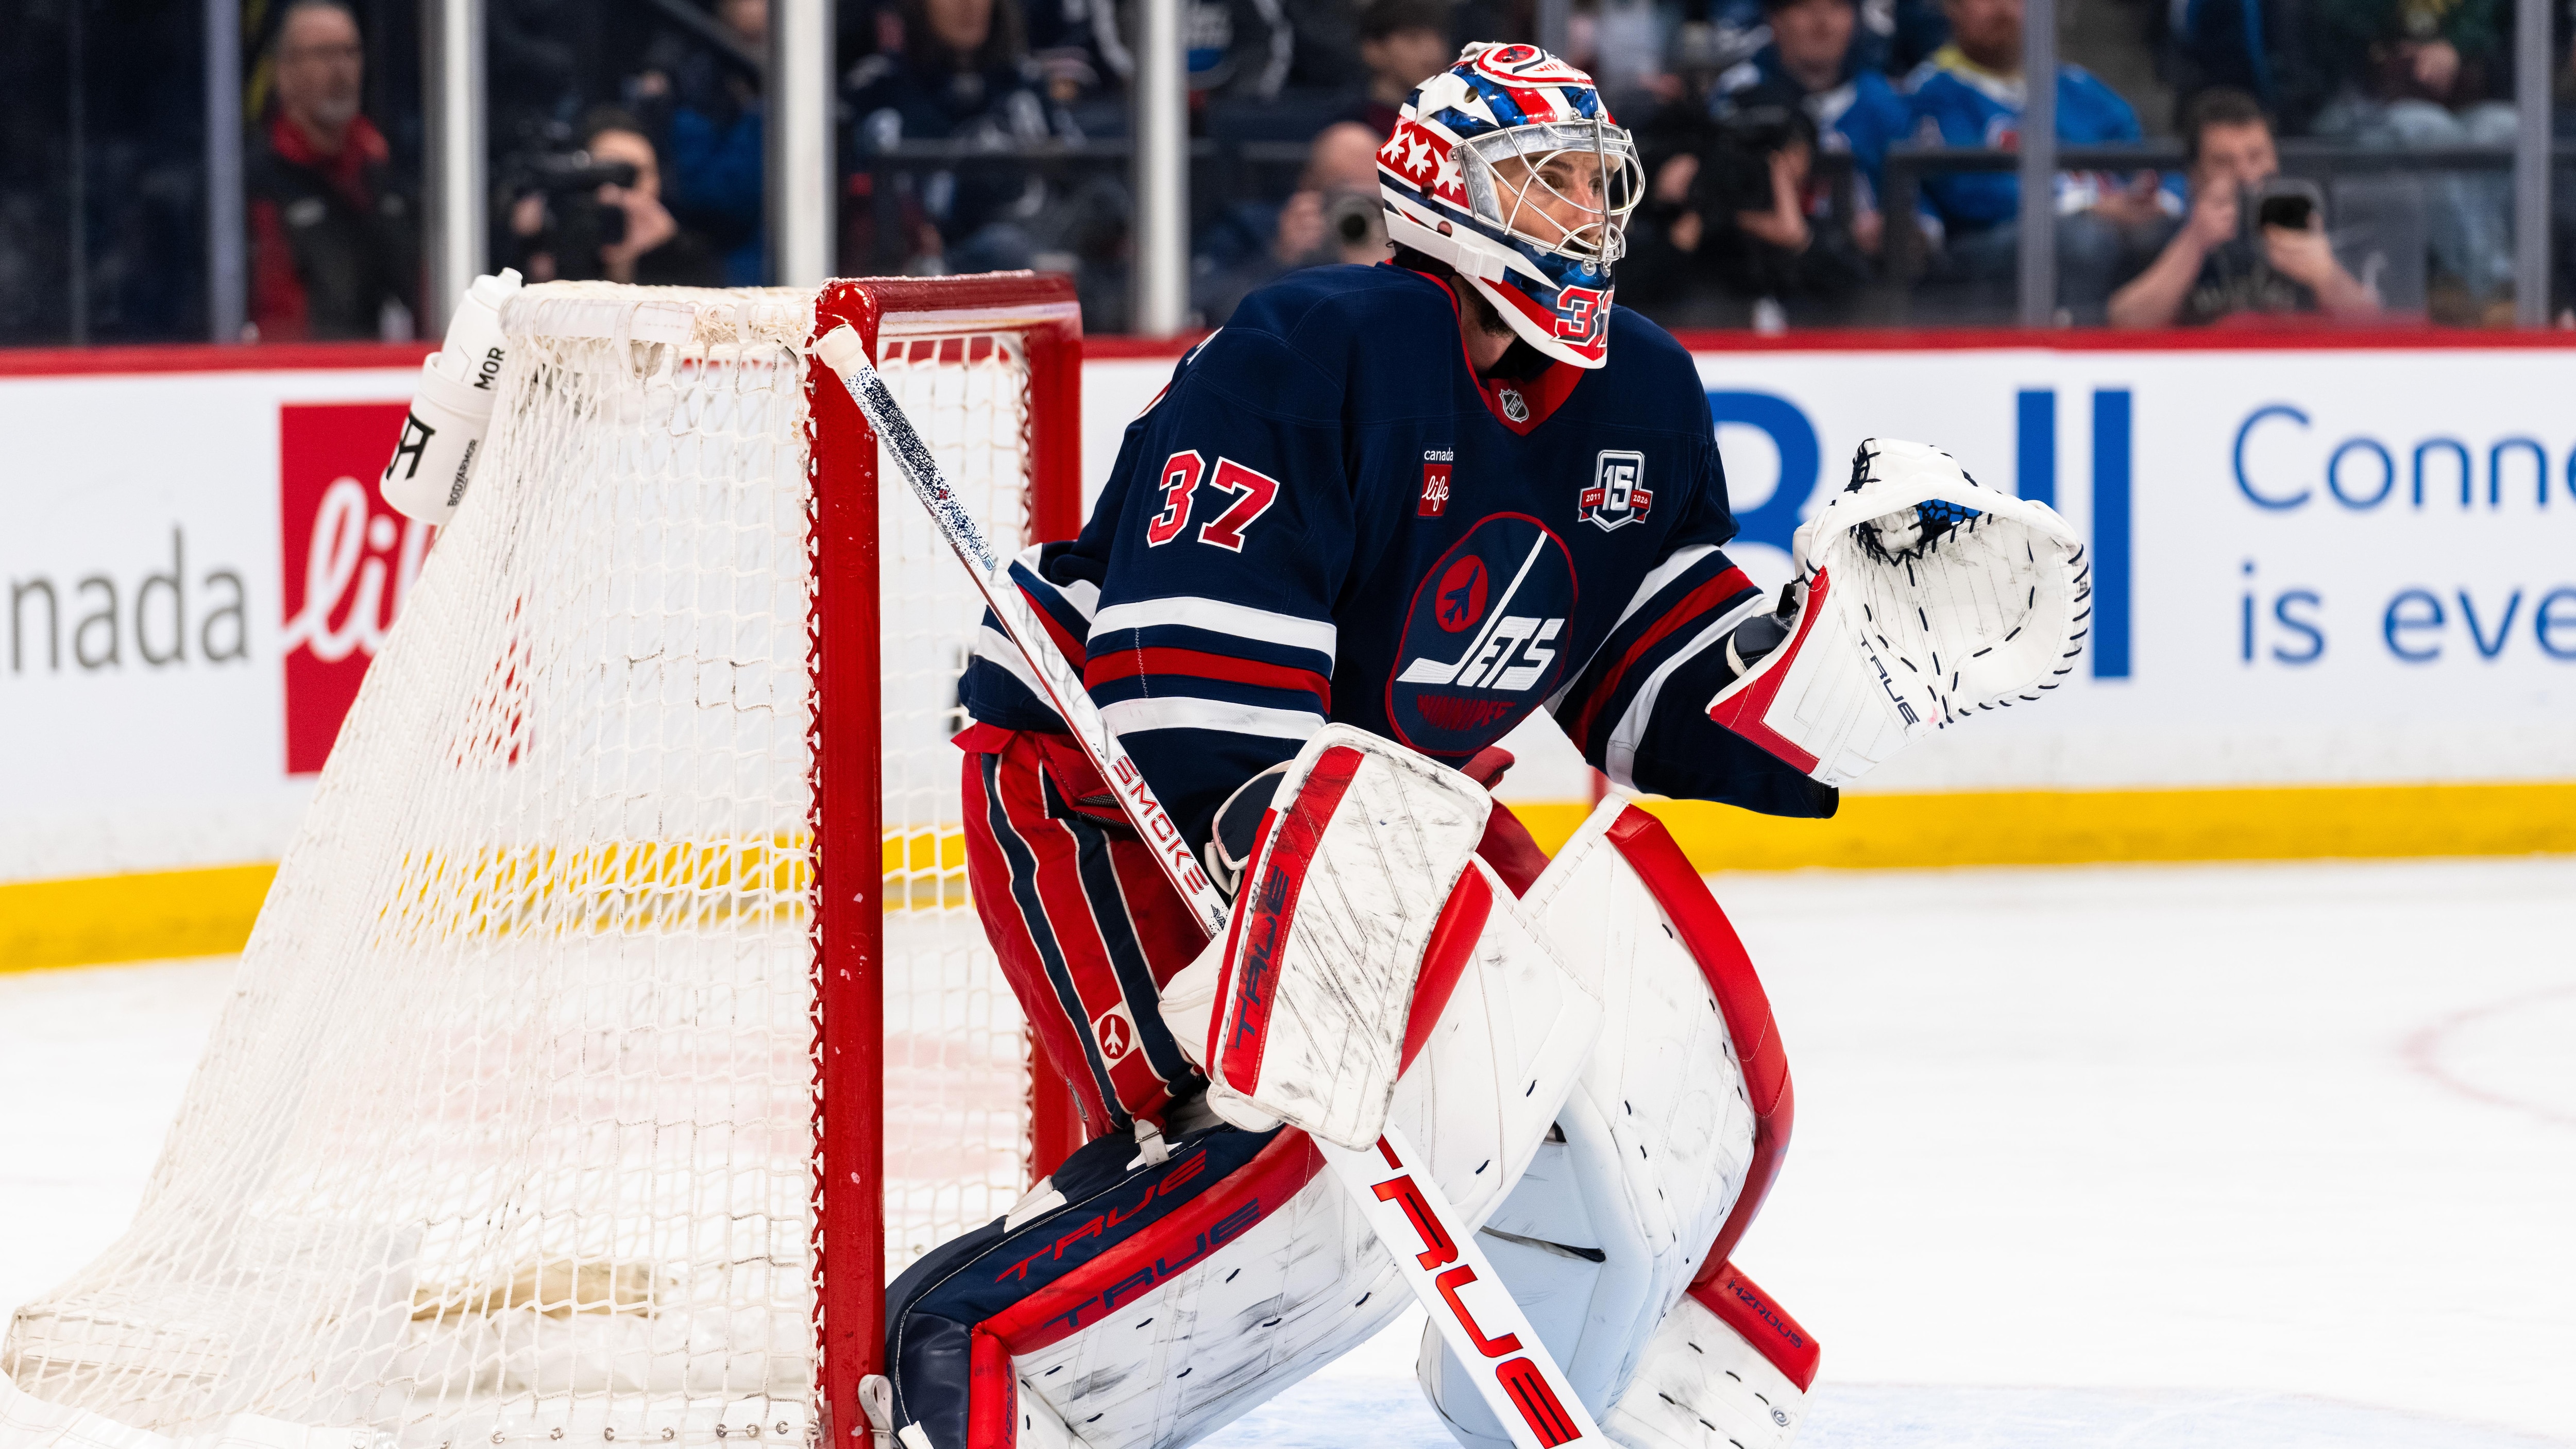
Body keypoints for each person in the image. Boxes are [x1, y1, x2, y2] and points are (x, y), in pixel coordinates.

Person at [873, 41, 1885, 1449]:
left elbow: (1642, 683)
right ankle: (972, 1368)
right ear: (1441, 195)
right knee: (1249, 1165)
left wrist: (1850, 671)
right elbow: (1189, 685)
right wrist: (1318, 901)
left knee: (1587, 1070)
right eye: (1545, 184)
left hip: (1390, 820)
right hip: (1102, 797)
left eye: (1600, 183)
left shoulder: (1641, 391)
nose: (1586, 216)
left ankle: (1622, 1356)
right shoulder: (1319, 347)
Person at [1903, 0, 2171, 322]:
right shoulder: (1930, 91)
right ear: (1952, 7)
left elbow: (2141, 154)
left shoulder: (2078, 87)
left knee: (2171, 228)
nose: (2002, 9)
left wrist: (2153, 199)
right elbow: (1967, 190)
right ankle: (2075, 352)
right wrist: (2083, 205)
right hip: (1980, 244)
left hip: (2094, 224)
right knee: (2080, 239)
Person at [2308, 0, 2514, 315]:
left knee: (2504, 127)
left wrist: (2455, 48)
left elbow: (2494, 26)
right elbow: (2333, 31)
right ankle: (2484, 287)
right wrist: (2397, 51)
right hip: (2363, 114)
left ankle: (2497, 278)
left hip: (2455, 107)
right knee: (2427, 128)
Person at [2108, 88, 2377, 327]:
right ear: (2195, 176)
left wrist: (2326, 277)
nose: (2247, 175)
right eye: (2225, 162)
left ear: (2276, 162)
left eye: (2257, 157)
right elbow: (2123, 323)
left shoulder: (2313, 225)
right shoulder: (2164, 237)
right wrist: (2194, 243)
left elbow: (2376, 329)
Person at [245, 0, 417, 342]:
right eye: (324, 54)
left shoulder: (386, 172)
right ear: (284, 71)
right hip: (301, 375)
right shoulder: (254, 182)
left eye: (350, 53)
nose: (340, 69)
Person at [633, 0, 768, 284]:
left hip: (787, 260)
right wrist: (760, 117)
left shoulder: (805, 73)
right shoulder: (696, 81)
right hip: (720, 270)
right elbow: (710, 195)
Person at [508, 111, 723, 287]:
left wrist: (670, 249)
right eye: (606, 173)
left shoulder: (685, 254)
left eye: (633, 176)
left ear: (658, 180)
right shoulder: (553, 234)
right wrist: (528, 245)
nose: (619, 193)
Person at [1342, 0, 1458, 135]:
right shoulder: (1351, 132)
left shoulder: (1459, 120)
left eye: (1439, 38)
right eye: (1413, 38)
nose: (1434, 54)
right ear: (1373, 50)